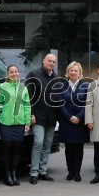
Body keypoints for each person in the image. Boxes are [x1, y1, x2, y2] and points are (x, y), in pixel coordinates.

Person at [25, 54, 58, 185]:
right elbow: (28, 96)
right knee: (38, 143)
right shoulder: (33, 74)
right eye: (49, 61)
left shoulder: (56, 78)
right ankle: (34, 172)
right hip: (37, 117)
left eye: (53, 62)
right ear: (44, 61)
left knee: (47, 145)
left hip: (51, 118)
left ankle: (43, 171)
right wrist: (30, 114)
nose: (51, 63)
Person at [0, 65, 31, 186]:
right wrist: (0, 115)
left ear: (19, 74)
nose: (14, 74)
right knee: (7, 148)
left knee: (17, 149)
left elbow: (27, 106)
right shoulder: (3, 87)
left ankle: (14, 173)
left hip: (20, 123)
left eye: (16, 72)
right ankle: (7, 175)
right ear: (8, 74)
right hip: (6, 123)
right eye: (11, 72)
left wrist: (27, 122)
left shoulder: (24, 88)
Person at [57, 61, 89, 182]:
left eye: (76, 70)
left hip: (80, 122)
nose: (73, 72)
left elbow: (87, 103)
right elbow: (60, 103)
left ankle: (77, 172)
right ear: (68, 72)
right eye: (71, 70)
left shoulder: (85, 86)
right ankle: (70, 171)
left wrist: (79, 117)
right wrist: (69, 117)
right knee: (68, 148)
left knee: (79, 148)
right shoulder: (61, 86)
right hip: (66, 121)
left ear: (80, 73)